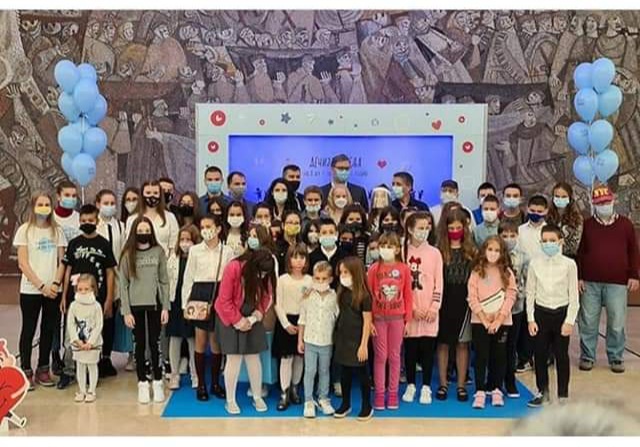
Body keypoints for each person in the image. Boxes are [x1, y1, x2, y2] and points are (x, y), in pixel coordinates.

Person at [577, 185, 639, 374]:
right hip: (590, 282)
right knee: (588, 321)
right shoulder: (587, 225)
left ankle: (616, 357)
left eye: (606, 202)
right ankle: (587, 356)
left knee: (617, 321)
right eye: (600, 203)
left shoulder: (626, 225)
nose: (604, 205)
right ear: (594, 204)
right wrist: (579, 277)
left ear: (613, 201)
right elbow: (580, 252)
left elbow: (633, 251)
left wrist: (634, 275)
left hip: (617, 282)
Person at [58, 204, 117, 389]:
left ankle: (92, 371)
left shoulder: (104, 244)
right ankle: (68, 370)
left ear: (97, 221)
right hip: (75, 299)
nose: (87, 223)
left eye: (90, 220)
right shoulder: (74, 243)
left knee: (94, 334)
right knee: (71, 334)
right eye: (83, 221)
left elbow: (110, 272)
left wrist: (109, 299)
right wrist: (64, 296)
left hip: (96, 300)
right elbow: (67, 270)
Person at [13, 192, 67, 389]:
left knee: (48, 329)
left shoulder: (57, 231)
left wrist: (55, 284)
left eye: (47, 204)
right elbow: (23, 263)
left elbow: (62, 261)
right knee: (28, 329)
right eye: (40, 204)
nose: (44, 208)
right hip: (31, 290)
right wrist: (41, 286)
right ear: (33, 206)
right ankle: (25, 370)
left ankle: (43, 369)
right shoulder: (24, 231)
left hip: (53, 290)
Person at [215, 249, 276, 415]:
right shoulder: (233, 268)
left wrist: (258, 314)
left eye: (265, 274)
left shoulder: (265, 274)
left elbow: (267, 296)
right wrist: (238, 320)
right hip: (229, 315)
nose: (262, 276)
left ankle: (257, 396)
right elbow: (224, 300)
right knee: (233, 358)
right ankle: (230, 400)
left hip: (251, 315)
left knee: (253, 357)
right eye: (260, 273)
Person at [182, 214, 234, 400]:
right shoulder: (195, 250)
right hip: (199, 293)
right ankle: (201, 385)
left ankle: (215, 383)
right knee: (200, 340)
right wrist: (185, 304)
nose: (205, 230)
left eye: (209, 226)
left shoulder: (227, 251)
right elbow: (188, 277)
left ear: (218, 229)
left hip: (219, 293)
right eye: (202, 227)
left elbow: (231, 278)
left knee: (216, 342)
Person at [527, 224, 579, 407]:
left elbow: (574, 296)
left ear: (560, 242)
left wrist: (569, 321)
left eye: (552, 240)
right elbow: (530, 293)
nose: (548, 244)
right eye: (545, 241)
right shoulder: (534, 264)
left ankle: (563, 395)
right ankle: (543, 392)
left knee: (561, 356)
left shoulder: (569, 265)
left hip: (561, 314)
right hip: (541, 314)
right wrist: (531, 319)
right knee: (540, 355)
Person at [119, 216, 170, 404]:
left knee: (155, 344)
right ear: (134, 232)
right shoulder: (128, 254)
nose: (143, 234)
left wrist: (166, 307)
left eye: (146, 231)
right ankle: (142, 382)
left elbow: (164, 281)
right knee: (139, 345)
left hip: (155, 305)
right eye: (140, 231)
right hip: (135, 307)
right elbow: (123, 284)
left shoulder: (158, 252)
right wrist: (126, 311)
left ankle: (157, 382)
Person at [467, 236, 517, 409]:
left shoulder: (507, 273)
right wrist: (483, 318)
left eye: (497, 250)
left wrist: (499, 319)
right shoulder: (476, 271)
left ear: (502, 253)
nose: (493, 253)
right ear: (484, 251)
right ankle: (480, 390)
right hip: (480, 322)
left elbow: (511, 295)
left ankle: (496, 389)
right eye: (490, 249)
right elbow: (472, 296)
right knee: (481, 356)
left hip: (501, 323)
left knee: (499, 356)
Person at [367, 232, 412, 410]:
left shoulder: (404, 269)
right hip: (378, 319)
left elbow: (408, 295)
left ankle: (393, 393)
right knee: (380, 356)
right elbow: (368, 296)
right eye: (383, 246)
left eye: (390, 246)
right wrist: (369, 321)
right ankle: (379, 394)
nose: (386, 249)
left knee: (394, 356)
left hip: (397, 319)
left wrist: (408, 320)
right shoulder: (374, 269)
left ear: (397, 249)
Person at [436, 208, 476, 402]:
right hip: (444, 301)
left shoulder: (472, 251)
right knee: (443, 344)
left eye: (458, 228)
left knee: (462, 344)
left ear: (464, 228)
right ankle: (443, 384)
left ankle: (461, 385)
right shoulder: (439, 250)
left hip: (465, 301)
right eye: (451, 228)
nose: (454, 231)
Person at [402, 211, 442, 405]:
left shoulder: (435, 253)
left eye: (427, 228)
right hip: (409, 312)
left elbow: (439, 283)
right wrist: (411, 309)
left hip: (429, 312)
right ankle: (411, 384)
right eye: (420, 228)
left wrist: (434, 307)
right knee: (410, 350)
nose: (424, 231)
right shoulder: (402, 252)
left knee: (427, 350)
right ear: (410, 229)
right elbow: (400, 285)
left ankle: (426, 386)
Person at [333, 257, 373, 421]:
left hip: (358, 340)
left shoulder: (364, 296)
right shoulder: (342, 293)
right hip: (343, 338)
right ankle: (345, 403)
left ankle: (366, 405)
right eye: (341, 272)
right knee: (345, 372)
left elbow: (367, 321)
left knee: (362, 374)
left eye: (346, 272)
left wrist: (363, 345)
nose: (342, 276)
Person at [298, 261, 339, 418]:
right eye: (317, 278)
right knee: (310, 371)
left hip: (327, 341)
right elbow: (302, 319)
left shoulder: (334, 297)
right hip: (310, 340)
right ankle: (308, 401)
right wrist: (300, 340)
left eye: (324, 278)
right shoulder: (308, 296)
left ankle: (323, 398)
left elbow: (337, 318)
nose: (320, 281)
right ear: (313, 278)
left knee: (324, 370)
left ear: (330, 279)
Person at [274, 243, 312, 411]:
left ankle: (295, 388)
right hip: (286, 322)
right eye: (295, 257)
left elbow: (310, 304)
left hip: (304, 322)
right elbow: (277, 304)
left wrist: (303, 323)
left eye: (302, 257)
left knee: (299, 357)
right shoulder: (282, 280)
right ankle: (284, 392)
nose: (298, 261)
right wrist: (286, 324)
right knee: (286, 358)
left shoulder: (310, 280)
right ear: (288, 259)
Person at [96, 190, 129, 374]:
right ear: (98, 204)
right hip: (95, 280)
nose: (109, 206)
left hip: (114, 280)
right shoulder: (93, 224)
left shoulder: (120, 226)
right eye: (105, 203)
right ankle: (93, 357)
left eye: (112, 203)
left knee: (109, 320)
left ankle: (106, 357)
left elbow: (123, 253)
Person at [166, 224, 199, 390]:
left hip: (192, 303)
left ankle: (195, 374)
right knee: (175, 338)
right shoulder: (173, 259)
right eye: (182, 239)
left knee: (193, 339)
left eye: (189, 240)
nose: (185, 243)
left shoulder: (198, 258)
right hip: (175, 303)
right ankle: (174, 374)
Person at [498, 221, 529, 398]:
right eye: (504, 236)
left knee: (511, 346)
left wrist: (518, 296)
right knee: (497, 346)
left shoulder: (523, 257)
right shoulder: (493, 254)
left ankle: (510, 381)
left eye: (512, 235)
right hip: (495, 309)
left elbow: (526, 281)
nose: (508, 239)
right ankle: (494, 381)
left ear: (517, 236)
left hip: (515, 308)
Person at [67, 274, 103, 403]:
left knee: (92, 366)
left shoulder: (96, 306)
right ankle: (82, 390)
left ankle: (92, 390)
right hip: (78, 344)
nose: (83, 292)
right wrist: (76, 340)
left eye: (86, 289)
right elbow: (70, 324)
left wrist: (91, 342)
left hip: (92, 344)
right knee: (80, 366)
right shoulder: (73, 306)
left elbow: (99, 325)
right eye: (80, 289)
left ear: (93, 289)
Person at [126, 180, 180, 258]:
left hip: (164, 262)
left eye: (155, 193)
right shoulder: (132, 219)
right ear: (142, 195)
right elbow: (130, 245)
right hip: (139, 262)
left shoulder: (170, 217)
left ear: (160, 195)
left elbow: (174, 247)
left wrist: (170, 262)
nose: (152, 196)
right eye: (148, 193)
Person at [308, 218, 349, 289]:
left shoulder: (345, 256)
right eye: (324, 233)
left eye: (331, 232)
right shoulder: (311, 257)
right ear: (319, 235)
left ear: (336, 234)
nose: (328, 235)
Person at [547, 182, 583, 259]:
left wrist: (554, 246)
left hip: (568, 260)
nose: (560, 199)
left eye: (564, 197)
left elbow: (574, 248)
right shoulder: (547, 216)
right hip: (548, 259)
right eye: (557, 196)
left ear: (570, 198)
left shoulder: (577, 219)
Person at [518, 194, 548, 261]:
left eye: (539, 211)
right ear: (527, 209)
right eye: (532, 210)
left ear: (546, 211)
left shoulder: (551, 232)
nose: (535, 214)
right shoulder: (520, 230)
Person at [276, 210, 302, 275]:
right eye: (290, 222)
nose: (293, 225)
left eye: (296, 223)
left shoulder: (303, 246)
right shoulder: (276, 247)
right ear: (283, 225)